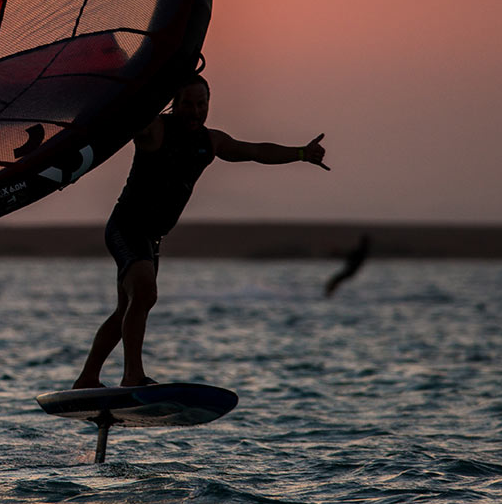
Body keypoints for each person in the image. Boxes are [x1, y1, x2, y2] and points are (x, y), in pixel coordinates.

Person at [73, 75, 328, 389]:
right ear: (174, 104)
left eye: (201, 104)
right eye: (188, 104)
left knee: (129, 307)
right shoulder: (154, 129)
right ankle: (133, 377)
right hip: (127, 227)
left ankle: (87, 379)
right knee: (144, 294)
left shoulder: (211, 142)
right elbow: (125, 121)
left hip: (151, 238)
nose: (195, 111)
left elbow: (255, 151)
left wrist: (301, 153)